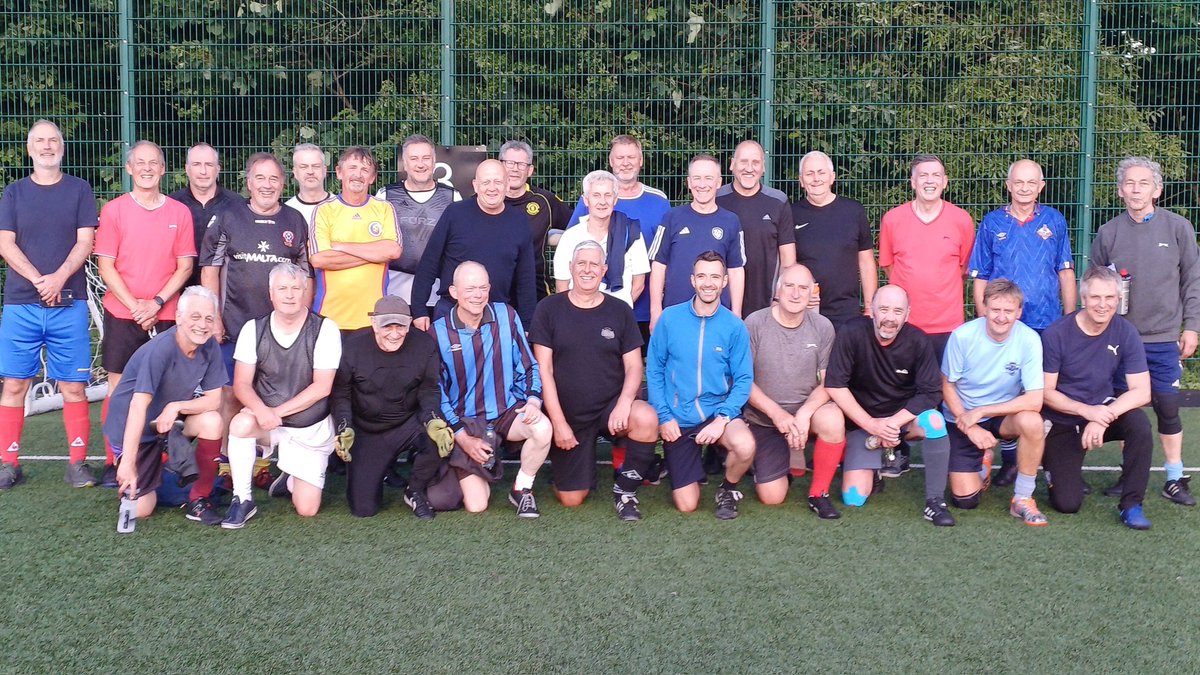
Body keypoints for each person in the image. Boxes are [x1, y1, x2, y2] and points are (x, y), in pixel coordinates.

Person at [1090, 156, 1200, 507]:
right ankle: (1130, 474)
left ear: (1158, 189)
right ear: (1120, 190)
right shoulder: (1109, 232)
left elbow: (1192, 281)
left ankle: (1173, 477)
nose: (1137, 190)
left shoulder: (1179, 228)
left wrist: (1193, 327)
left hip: (1165, 337)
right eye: (1130, 184)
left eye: (1144, 184)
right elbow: (1095, 286)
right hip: (1122, 340)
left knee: (1168, 407)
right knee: (1127, 410)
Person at [0, 120, 98, 489]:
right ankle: (8, 463)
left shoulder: (79, 190)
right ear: (29, 150)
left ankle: (77, 463)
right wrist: (41, 281)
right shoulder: (13, 193)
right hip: (21, 305)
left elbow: (85, 241)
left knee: (73, 387)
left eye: (53, 140)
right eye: (39, 141)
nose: (46, 146)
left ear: (61, 147)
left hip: (68, 303)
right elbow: (6, 244)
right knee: (14, 386)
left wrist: (58, 279)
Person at [530, 241, 660, 520]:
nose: (587, 269)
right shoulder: (548, 309)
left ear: (604, 270)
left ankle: (625, 491)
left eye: (594, 264)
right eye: (581, 263)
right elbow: (545, 372)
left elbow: (635, 366)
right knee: (571, 499)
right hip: (569, 414)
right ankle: (572, 465)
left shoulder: (619, 310)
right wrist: (559, 423)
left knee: (646, 418)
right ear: (570, 268)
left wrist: (626, 403)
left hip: (610, 408)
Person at [969, 159, 1076, 486]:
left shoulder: (1054, 220)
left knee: (1043, 392)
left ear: (1041, 186)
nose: (1025, 187)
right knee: (1007, 387)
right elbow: (980, 276)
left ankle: (1050, 463)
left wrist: (1070, 320)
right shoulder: (991, 223)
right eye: (1019, 182)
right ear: (1009, 184)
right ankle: (1010, 459)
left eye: (1031, 182)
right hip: (1004, 323)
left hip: (1046, 323)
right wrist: (984, 316)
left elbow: (1065, 271)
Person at [95, 140, 196, 487]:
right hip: (122, 313)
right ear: (129, 169)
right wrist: (135, 305)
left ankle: (161, 461)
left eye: (154, 162)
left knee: (165, 390)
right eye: (140, 163)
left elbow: (185, 267)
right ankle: (116, 460)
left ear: (164, 169)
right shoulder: (114, 211)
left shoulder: (179, 213)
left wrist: (155, 302)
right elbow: (106, 265)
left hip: (166, 312)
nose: (147, 168)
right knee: (118, 388)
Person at [220, 263, 341, 528]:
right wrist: (261, 411)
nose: (289, 294)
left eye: (295, 288)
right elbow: (241, 383)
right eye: (282, 288)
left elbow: (322, 387)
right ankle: (242, 499)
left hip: (308, 427)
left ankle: (289, 478)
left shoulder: (326, 329)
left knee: (307, 510)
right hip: (267, 423)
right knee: (240, 424)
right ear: (271, 293)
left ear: (305, 291)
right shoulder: (253, 329)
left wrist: (275, 413)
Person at [824, 285, 955, 526]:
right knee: (854, 498)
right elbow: (834, 385)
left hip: (903, 421)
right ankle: (874, 467)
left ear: (907, 314)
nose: (890, 318)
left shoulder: (918, 340)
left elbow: (931, 392)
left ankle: (935, 502)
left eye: (897, 311)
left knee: (934, 421)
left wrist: (893, 424)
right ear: (871, 310)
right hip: (863, 423)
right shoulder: (851, 332)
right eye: (883, 309)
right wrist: (872, 425)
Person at [430, 262, 552, 517]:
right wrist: (462, 437)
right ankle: (452, 467)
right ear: (454, 292)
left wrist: (533, 400)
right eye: (470, 288)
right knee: (477, 505)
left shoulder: (506, 315)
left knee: (541, 427)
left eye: (483, 287)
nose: (477, 294)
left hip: (506, 412)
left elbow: (529, 364)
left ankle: (522, 489)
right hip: (467, 421)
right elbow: (436, 394)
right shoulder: (438, 333)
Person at [1040, 266, 1154, 529]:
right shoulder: (1056, 334)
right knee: (1067, 504)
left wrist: (1102, 417)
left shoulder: (1126, 331)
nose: (1102, 305)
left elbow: (1142, 391)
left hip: (1101, 411)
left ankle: (1132, 505)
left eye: (1109, 298)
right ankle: (1052, 466)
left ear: (1118, 299)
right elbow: (1046, 392)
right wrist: (1085, 411)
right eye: (1095, 298)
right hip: (1063, 420)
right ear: (1084, 299)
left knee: (1139, 423)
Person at [647, 252, 756, 519]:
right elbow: (654, 369)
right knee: (687, 505)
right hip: (678, 417)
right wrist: (664, 416)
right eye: (703, 276)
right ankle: (687, 464)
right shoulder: (670, 319)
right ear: (692, 280)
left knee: (745, 445)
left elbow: (743, 380)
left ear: (725, 281)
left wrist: (722, 419)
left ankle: (728, 489)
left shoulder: (734, 326)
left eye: (715, 277)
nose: (709, 283)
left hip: (716, 413)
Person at [104, 286, 226, 522]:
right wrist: (128, 463)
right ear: (179, 317)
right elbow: (138, 406)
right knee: (142, 509)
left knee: (212, 420)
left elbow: (215, 400)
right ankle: (152, 477)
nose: (202, 325)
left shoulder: (209, 346)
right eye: (195, 317)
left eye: (209, 319)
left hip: (166, 424)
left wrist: (176, 407)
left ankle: (199, 498)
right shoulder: (161, 349)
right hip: (134, 430)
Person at [940, 280, 1048, 526]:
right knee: (965, 500)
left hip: (999, 415)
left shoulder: (1030, 340)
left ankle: (1023, 498)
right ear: (985, 308)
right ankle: (983, 463)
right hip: (962, 415)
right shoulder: (962, 336)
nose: (1001, 317)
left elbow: (1034, 399)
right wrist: (970, 425)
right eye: (995, 310)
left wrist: (983, 411)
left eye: (1008, 311)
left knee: (1032, 421)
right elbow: (947, 386)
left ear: (1019, 312)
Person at [744, 264, 845, 517]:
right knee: (772, 497)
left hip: (805, 417)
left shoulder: (823, 327)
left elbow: (827, 382)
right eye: (789, 286)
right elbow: (743, 381)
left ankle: (818, 493)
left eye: (803, 288)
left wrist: (804, 414)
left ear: (812, 293)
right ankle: (773, 460)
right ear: (777, 289)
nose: (796, 293)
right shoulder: (754, 323)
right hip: (766, 420)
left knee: (833, 418)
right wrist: (779, 415)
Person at [201, 152, 311, 382]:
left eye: (273, 179)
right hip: (234, 329)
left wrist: (304, 318)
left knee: (276, 394)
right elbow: (210, 269)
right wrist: (214, 318)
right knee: (230, 396)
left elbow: (306, 275)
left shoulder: (295, 220)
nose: (267, 185)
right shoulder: (227, 217)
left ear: (282, 183)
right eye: (260, 178)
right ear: (249, 182)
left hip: (281, 332)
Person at [332, 295, 446, 519]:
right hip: (367, 431)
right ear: (374, 323)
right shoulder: (353, 345)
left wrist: (433, 419)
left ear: (409, 323)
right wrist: (344, 426)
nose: (394, 334)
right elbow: (340, 393)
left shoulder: (424, 344)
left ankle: (415, 490)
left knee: (438, 436)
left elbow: (429, 389)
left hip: (407, 423)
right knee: (363, 509)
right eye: (388, 326)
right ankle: (379, 470)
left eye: (400, 326)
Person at [411, 160, 538, 329]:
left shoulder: (519, 221)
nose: (492, 188)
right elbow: (429, 262)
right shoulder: (455, 214)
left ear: (507, 185)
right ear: (475, 186)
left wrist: (527, 325)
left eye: (498, 182)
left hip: (497, 315)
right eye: (486, 182)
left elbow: (526, 277)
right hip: (452, 311)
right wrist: (419, 310)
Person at [566, 135, 672, 336]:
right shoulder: (591, 199)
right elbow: (572, 244)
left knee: (640, 365)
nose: (625, 163)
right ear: (611, 161)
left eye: (631, 157)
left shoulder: (659, 201)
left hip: (647, 308)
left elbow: (667, 253)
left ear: (640, 161)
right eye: (620, 157)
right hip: (594, 308)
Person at [878, 154, 975, 360]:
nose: (929, 181)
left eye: (936, 175)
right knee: (902, 387)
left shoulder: (962, 220)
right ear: (913, 182)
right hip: (904, 323)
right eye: (923, 176)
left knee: (943, 387)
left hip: (948, 326)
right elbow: (889, 267)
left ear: (945, 182)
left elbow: (963, 269)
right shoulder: (892, 220)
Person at [648, 154, 746, 331]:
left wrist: (736, 313)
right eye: (697, 178)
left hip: (717, 315)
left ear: (718, 183)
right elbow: (658, 265)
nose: (702, 184)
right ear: (688, 182)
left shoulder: (731, 221)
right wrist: (656, 311)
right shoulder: (672, 217)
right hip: (675, 314)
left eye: (708, 178)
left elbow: (736, 270)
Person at [309, 146, 402, 332]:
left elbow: (393, 251)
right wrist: (375, 254)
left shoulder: (384, 208)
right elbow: (319, 259)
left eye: (365, 170)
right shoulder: (324, 210)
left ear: (372, 178)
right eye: (352, 168)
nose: (358, 175)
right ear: (339, 172)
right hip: (329, 317)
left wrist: (341, 246)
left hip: (373, 318)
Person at [791, 150, 877, 331]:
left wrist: (870, 308)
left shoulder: (854, 211)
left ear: (832, 177)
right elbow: (787, 263)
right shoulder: (791, 214)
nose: (816, 179)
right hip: (805, 311)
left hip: (846, 313)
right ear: (801, 181)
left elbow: (867, 262)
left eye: (821, 173)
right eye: (809, 173)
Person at [715, 140, 796, 317]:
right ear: (732, 164)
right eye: (743, 161)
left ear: (763, 168)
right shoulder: (716, 199)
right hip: (720, 304)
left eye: (755, 162)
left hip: (766, 305)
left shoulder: (778, 201)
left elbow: (788, 259)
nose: (749, 168)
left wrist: (778, 299)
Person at [377, 134, 460, 303]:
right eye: (414, 158)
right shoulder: (385, 195)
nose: (420, 164)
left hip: (438, 293)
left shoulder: (452, 197)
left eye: (426, 158)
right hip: (393, 291)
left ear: (434, 162)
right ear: (405, 163)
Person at [551, 170, 650, 308]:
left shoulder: (632, 233)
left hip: (617, 317)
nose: (602, 202)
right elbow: (562, 286)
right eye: (596, 195)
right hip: (577, 317)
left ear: (615, 199)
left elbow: (639, 284)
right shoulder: (570, 237)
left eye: (607, 195)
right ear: (586, 200)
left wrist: (616, 312)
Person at [499, 140, 570, 300]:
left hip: (536, 291)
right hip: (493, 291)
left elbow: (578, 228)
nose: (515, 169)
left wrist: (552, 238)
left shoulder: (545, 201)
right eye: (510, 163)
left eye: (521, 164)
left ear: (530, 170)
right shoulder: (484, 200)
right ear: (500, 165)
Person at [169, 143, 241, 287]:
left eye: (209, 164)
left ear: (218, 169)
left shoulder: (237, 205)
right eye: (196, 164)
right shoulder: (171, 204)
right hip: (178, 291)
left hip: (225, 292)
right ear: (187, 169)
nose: (203, 171)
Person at [285, 143, 334, 225]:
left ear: (325, 170)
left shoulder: (340, 207)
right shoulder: (287, 212)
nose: (310, 172)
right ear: (295, 172)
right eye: (303, 167)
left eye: (316, 166)